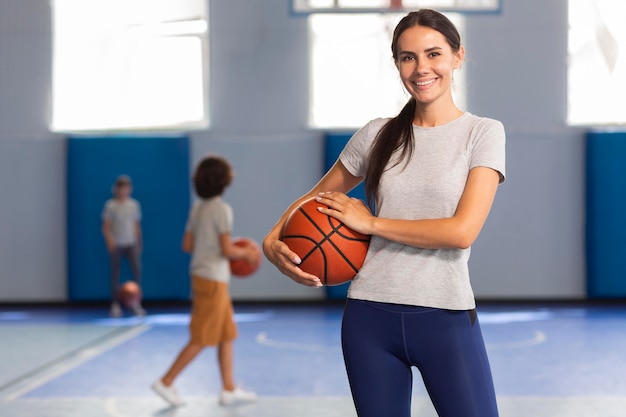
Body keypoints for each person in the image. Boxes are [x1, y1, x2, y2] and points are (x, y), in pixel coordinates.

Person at [263, 9, 505, 417]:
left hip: (444, 316)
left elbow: (462, 231)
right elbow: (315, 199)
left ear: (457, 56)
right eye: (408, 57)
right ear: (396, 64)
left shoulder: (482, 132)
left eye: (433, 54)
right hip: (369, 318)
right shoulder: (377, 133)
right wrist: (272, 239)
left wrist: (371, 223)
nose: (421, 68)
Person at [151, 155, 260, 407]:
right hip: (213, 280)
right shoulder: (222, 209)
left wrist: (212, 244)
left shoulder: (197, 208)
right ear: (224, 182)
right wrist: (246, 252)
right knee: (201, 338)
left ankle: (229, 389)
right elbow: (227, 250)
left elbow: (187, 244)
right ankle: (165, 382)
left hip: (203, 277)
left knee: (226, 334)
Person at [101, 174, 145, 317]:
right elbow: (106, 226)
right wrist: (110, 240)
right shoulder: (111, 205)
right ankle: (115, 304)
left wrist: (139, 241)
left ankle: (135, 303)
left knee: (136, 271)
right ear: (115, 189)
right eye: (120, 189)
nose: (123, 192)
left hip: (130, 243)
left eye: (125, 189)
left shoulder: (133, 205)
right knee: (115, 274)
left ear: (129, 189)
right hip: (117, 244)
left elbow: (136, 225)